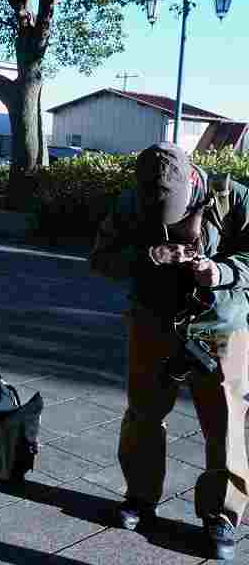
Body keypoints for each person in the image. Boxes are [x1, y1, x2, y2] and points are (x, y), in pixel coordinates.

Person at [90, 142, 249, 560]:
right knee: (143, 413)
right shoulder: (129, 202)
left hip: (219, 327)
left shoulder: (234, 199)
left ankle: (222, 514)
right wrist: (148, 256)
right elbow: (101, 259)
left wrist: (221, 271)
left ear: (193, 180)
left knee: (226, 422)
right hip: (153, 321)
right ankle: (140, 497)